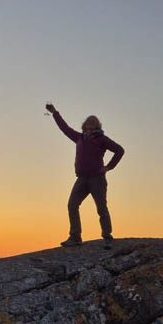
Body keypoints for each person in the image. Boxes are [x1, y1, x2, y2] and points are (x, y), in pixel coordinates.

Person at [45, 104, 124, 247]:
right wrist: (55, 113)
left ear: (97, 125)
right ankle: (75, 237)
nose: (91, 122)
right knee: (72, 205)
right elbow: (65, 128)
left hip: (97, 178)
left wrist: (108, 167)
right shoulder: (79, 138)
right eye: (89, 120)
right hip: (81, 178)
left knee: (101, 207)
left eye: (94, 121)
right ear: (85, 124)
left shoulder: (102, 139)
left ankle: (107, 236)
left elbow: (119, 150)